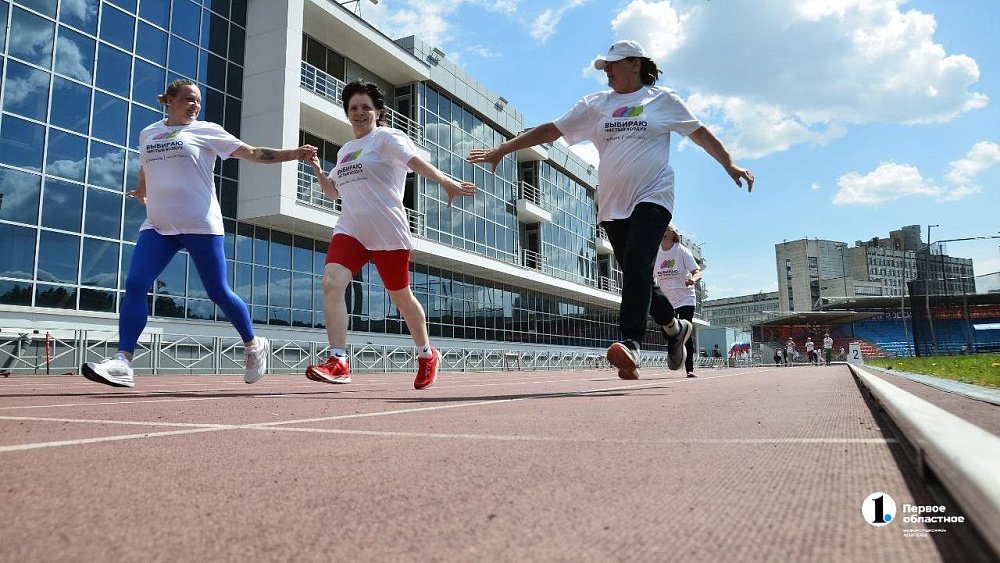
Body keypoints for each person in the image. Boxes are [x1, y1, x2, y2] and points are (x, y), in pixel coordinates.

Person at [468, 40, 753, 379]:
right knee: (636, 273)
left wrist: (729, 164)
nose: (608, 71)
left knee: (636, 261)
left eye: (613, 64)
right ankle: (675, 328)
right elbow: (551, 130)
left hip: (654, 196)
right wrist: (504, 148)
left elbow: (700, 134)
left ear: (635, 64)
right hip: (613, 206)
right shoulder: (596, 105)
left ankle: (631, 343)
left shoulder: (662, 100)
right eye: (605, 66)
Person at [80, 79, 316, 388]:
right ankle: (123, 361)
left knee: (217, 292)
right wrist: (141, 190)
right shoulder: (148, 133)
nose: (195, 105)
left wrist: (294, 154)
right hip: (159, 226)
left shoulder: (207, 131)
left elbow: (254, 153)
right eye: (189, 99)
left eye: (198, 101)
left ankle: (253, 345)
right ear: (170, 100)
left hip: (200, 224)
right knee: (135, 284)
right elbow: (145, 166)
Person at [304, 80, 476, 389]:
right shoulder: (345, 151)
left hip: (387, 230)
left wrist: (445, 181)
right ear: (347, 113)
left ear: (378, 112)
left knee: (400, 297)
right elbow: (332, 193)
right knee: (331, 282)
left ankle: (427, 354)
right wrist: (317, 168)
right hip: (352, 228)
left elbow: (415, 162)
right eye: (353, 108)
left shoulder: (387, 137)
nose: (359, 113)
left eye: (366, 108)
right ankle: (338, 360)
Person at [654, 223, 701, 378]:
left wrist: (693, 280)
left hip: (685, 297)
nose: (663, 232)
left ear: (673, 234)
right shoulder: (656, 252)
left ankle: (689, 368)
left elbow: (697, 272)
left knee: (686, 333)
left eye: (666, 229)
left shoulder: (681, 251)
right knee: (667, 333)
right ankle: (677, 352)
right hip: (667, 299)